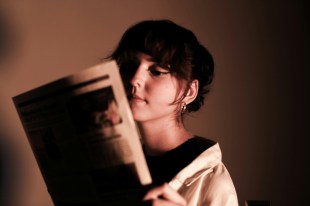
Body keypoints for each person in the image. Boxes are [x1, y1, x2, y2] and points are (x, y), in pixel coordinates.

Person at [108, 19, 238, 206]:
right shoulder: (118, 169)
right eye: (129, 67)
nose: (135, 79)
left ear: (190, 92)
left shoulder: (213, 183)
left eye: (157, 71)